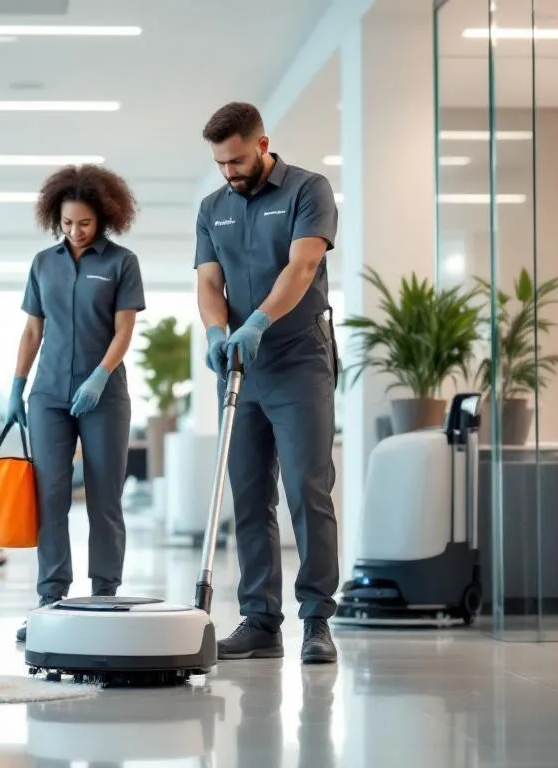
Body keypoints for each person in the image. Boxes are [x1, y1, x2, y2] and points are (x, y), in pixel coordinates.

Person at [194, 101, 341, 665]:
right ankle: (259, 620)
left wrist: (258, 320)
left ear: (261, 144)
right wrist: (216, 331)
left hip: (299, 354)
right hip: (239, 363)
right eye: (219, 163)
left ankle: (316, 620)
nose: (228, 172)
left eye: (235, 160)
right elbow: (210, 281)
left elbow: (302, 267)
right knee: (249, 495)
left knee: (307, 487)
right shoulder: (212, 207)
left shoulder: (309, 189)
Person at [7, 164, 145, 643]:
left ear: (103, 218)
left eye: (84, 223)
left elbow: (125, 329)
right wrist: (17, 386)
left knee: (105, 497)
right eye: (67, 223)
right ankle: (51, 599)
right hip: (47, 395)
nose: (75, 231)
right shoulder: (43, 263)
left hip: (103, 394)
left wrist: (100, 376)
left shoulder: (121, 262)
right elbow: (32, 330)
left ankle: (105, 594)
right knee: (50, 497)